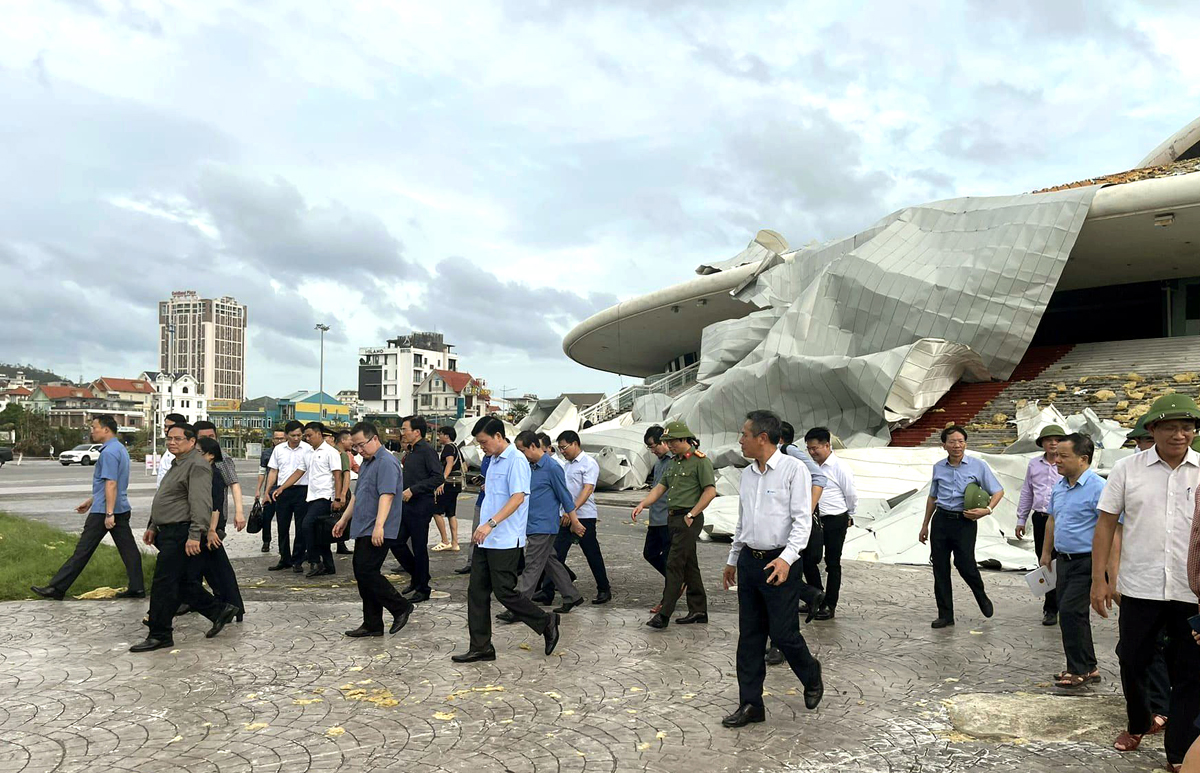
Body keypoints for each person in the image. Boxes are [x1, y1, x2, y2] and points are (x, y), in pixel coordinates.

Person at [1092, 394, 1200, 770]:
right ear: (1151, 429)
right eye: (1170, 427)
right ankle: (1138, 721)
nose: (1180, 434)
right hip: (1139, 588)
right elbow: (1106, 523)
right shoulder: (1127, 469)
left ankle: (1178, 751)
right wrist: (1100, 580)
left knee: (1190, 671)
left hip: (1192, 592)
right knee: (1132, 659)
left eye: (1187, 427)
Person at [721, 410, 823, 727]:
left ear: (762, 438)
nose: (740, 440)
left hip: (781, 562)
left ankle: (811, 673)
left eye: (744, 434)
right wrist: (733, 558)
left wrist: (786, 558)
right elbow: (743, 521)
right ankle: (751, 705)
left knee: (783, 633)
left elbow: (802, 521)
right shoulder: (748, 474)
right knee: (750, 638)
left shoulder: (794, 470)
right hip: (751, 562)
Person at [453, 417, 560, 663]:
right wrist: (482, 528)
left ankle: (546, 621)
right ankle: (481, 647)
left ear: (499, 437)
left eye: (484, 442)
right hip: (486, 539)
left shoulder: (516, 460)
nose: (482, 447)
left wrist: (491, 524)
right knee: (476, 593)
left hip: (505, 539)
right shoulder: (491, 461)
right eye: (479, 444)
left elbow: (518, 498)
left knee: (504, 592)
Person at [131, 423, 238, 652]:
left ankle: (160, 634)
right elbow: (166, 497)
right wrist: (153, 525)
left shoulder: (197, 465)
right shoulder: (176, 463)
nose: (172, 442)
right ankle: (218, 610)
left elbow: (201, 502)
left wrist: (195, 534)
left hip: (182, 532)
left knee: (163, 583)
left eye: (178, 439)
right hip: (167, 530)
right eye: (169, 438)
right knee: (181, 582)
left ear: (192, 442)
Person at [31, 415, 144, 600]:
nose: (92, 431)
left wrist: (108, 513)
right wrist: (91, 500)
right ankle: (137, 587)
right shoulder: (120, 449)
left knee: (82, 551)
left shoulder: (108, 453)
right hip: (120, 507)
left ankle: (57, 588)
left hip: (105, 511)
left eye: (94, 427)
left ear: (106, 430)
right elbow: (112, 483)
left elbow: (111, 483)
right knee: (129, 550)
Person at [331, 422, 414, 637]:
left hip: (378, 528)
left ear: (374, 439)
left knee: (367, 571)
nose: (359, 450)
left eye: (362, 445)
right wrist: (344, 520)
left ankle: (400, 606)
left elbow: (387, 495)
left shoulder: (387, 462)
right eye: (355, 447)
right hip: (363, 525)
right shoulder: (367, 462)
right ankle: (372, 623)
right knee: (362, 573)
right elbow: (358, 495)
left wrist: (379, 526)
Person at [918, 425, 1001, 628]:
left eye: (961, 441)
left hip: (965, 522)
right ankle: (945, 615)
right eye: (952, 441)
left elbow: (998, 491)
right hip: (941, 520)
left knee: (965, 565)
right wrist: (925, 525)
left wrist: (987, 510)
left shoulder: (978, 466)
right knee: (940, 568)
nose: (957, 445)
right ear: (944, 445)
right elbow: (932, 496)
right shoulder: (938, 467)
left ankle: (980, 594)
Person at [633, 421, 714, 629]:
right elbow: (661, 487)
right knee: (689, 565)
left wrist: (692, 514)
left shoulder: (700, 461)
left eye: (671, 442)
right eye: (666, 442)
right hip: (673, 518)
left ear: (683, 439)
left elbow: (710, 491)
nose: (669, 446)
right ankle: (698, 610)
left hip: (689, 518)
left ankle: (664, 614)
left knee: (674, 563)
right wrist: (643, 503)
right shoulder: (674, 463)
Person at [498, 431, 585, 622]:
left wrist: (575, 521)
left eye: (522, 450)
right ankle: (572, 596)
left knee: (532, 565)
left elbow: (564, 496)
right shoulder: (529, 467)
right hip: (529, 523)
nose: (520, 454)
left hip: (544, 526)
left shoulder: (552, 467)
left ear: (532, 446)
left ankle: (519, 608)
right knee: (549, 561)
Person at [1039, 433, 1103, 688]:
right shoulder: (1060, 485)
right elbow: (1052, 520)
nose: (1057, 461)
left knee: (1069, 612)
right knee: (1075, 614)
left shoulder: (1098, 487)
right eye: (1055, 456)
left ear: (1083, 459)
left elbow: (1109, 527)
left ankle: (1078, 669)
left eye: (1064, 456)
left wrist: (1106, 568)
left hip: (1086, 560)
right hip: (1063, 560)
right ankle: (1089, 666)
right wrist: (1046, 552)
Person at [541, 431, 611, 605]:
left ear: (575, 444)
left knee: (592, 553)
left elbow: (587, 490)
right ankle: (547, 591)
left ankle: (604, 589)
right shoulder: (566, 465)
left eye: (564, 447)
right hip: (565, 516)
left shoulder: (588, 463)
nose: (562, 451)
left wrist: (571, 511)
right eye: (560, 448)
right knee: (556, 555)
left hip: (584, 516)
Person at [193, 422, 246, 620]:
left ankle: (227, 605)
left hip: (213, 523)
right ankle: (227, 605)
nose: (209, 439)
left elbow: (232, 487)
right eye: (203, 437)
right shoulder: (196, 463)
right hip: (203, 522)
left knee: (214, 566)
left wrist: (239, 512)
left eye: (212, 436)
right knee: (211, 565)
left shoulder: (219, 464)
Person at [804, 426, 858, 620]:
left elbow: (850, 493)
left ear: (827, 445)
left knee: (832, 563)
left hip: (836, 518)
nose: (812, 452)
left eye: (815, 448)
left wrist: (850, 514)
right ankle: (816, 596)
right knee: (808, 559)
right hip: (816, 519)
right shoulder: (811, 467)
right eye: (809, 448)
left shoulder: (839, 467)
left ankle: (830, 604)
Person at [1015, 424, 1065, 626]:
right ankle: (1050, 608)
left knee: (1062, 560)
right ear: (1042, 444)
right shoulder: (1034, 465)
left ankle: (1065, 604)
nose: (1053, 443)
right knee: (1044, 561)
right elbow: (1027, 491)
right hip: (1041, 518)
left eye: (1057, 439)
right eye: (1048, 440)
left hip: (1063, 518)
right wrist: (1021, 518)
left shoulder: (1067, 463)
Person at [391, 415, 444, 603]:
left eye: (405, 429)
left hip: (421, 505)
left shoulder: (427, 451)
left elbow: (438, 478)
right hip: (406, 505)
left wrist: (414, 490)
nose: (402, 432)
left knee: (420, 547)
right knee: (396, 542)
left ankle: (423, 588)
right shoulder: (411, 451)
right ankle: (418, 576)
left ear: (417, 432)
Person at [779, 421, 827, 617]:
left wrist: (807, 511)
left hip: (799, 520)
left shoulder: (788, 450)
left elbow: (819, 477)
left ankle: (812, 595)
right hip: (786, 519)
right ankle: (812, 596)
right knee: (803, 563)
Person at [633, 425, 672, 613]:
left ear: (664, 442)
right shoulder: (659, 464)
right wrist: (644, 504)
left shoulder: (675, 462)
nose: (653, 451)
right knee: (650, 553)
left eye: (653, 446)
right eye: (650, 448)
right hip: (656, 517)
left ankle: (670, 595)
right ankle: (677, 581)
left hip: (669, 518)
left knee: (672, 561)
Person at [264, 420, 311, 573]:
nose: (296, 438)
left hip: (302, 490)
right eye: (293, 435)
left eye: (299, 435)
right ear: (286, 435)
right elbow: (273, 471)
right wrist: (267, 491)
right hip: (282, 492)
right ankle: (284, 558)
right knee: (282, 526)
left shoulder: (308, 449)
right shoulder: (279, 450)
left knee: (301, 527)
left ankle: (297, 560)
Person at [299, 422, 341, 577]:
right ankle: (329, 565)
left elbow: (338, 476)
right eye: (306, 436)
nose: (307, 439)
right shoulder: (308, 453)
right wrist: (282, 487)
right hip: (311, 496)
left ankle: (315, 561)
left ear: (319, 433)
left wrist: (338, 498)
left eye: (309, 435)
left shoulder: (331, 452)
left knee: (307, 525)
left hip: (325, 497)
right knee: (319, 531)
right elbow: (300, 471)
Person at [456, 451, 493, 576]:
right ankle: (471, 563)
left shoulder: (503, 460)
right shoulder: (486, 458)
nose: (483, 447)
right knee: (475, 533)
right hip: (481, 501)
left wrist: (489, 485)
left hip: (493, 504)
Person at [432, 426, 464, 553]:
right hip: (456, 484)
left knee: (436, 511)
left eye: (440, 434)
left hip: (448, 484)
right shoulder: (456, 448)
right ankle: (455, 542)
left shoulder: (448, 448)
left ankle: (445, 540)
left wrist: (442, 481)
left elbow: (449, 464)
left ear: (447, 435)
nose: (439, 437)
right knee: (451, 513)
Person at [255, 428, 285, 553]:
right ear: (273, 440)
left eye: (281, 438)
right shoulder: (267, 453)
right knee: (267, 518)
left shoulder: (288, 452)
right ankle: (266, 541)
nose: (279, 440)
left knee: (282, 520)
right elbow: (262, 472)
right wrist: (258, 490)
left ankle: (283, 546)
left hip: (284, 491)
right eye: (277, 438)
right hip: (270, 491)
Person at [325, 426, 351, 555]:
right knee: (341, 518)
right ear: (342, 441)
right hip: (339, 491)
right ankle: (340, 543)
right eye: (349, 440)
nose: (352, 443)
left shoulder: (330, 451)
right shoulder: (342, 454)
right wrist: (343, 494)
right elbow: (346, 475)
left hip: (331, 491)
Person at [155, 413, 188, 487]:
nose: (166, 430)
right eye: (165, 426)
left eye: (170, 427)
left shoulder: (186, 450)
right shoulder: (169, 449)